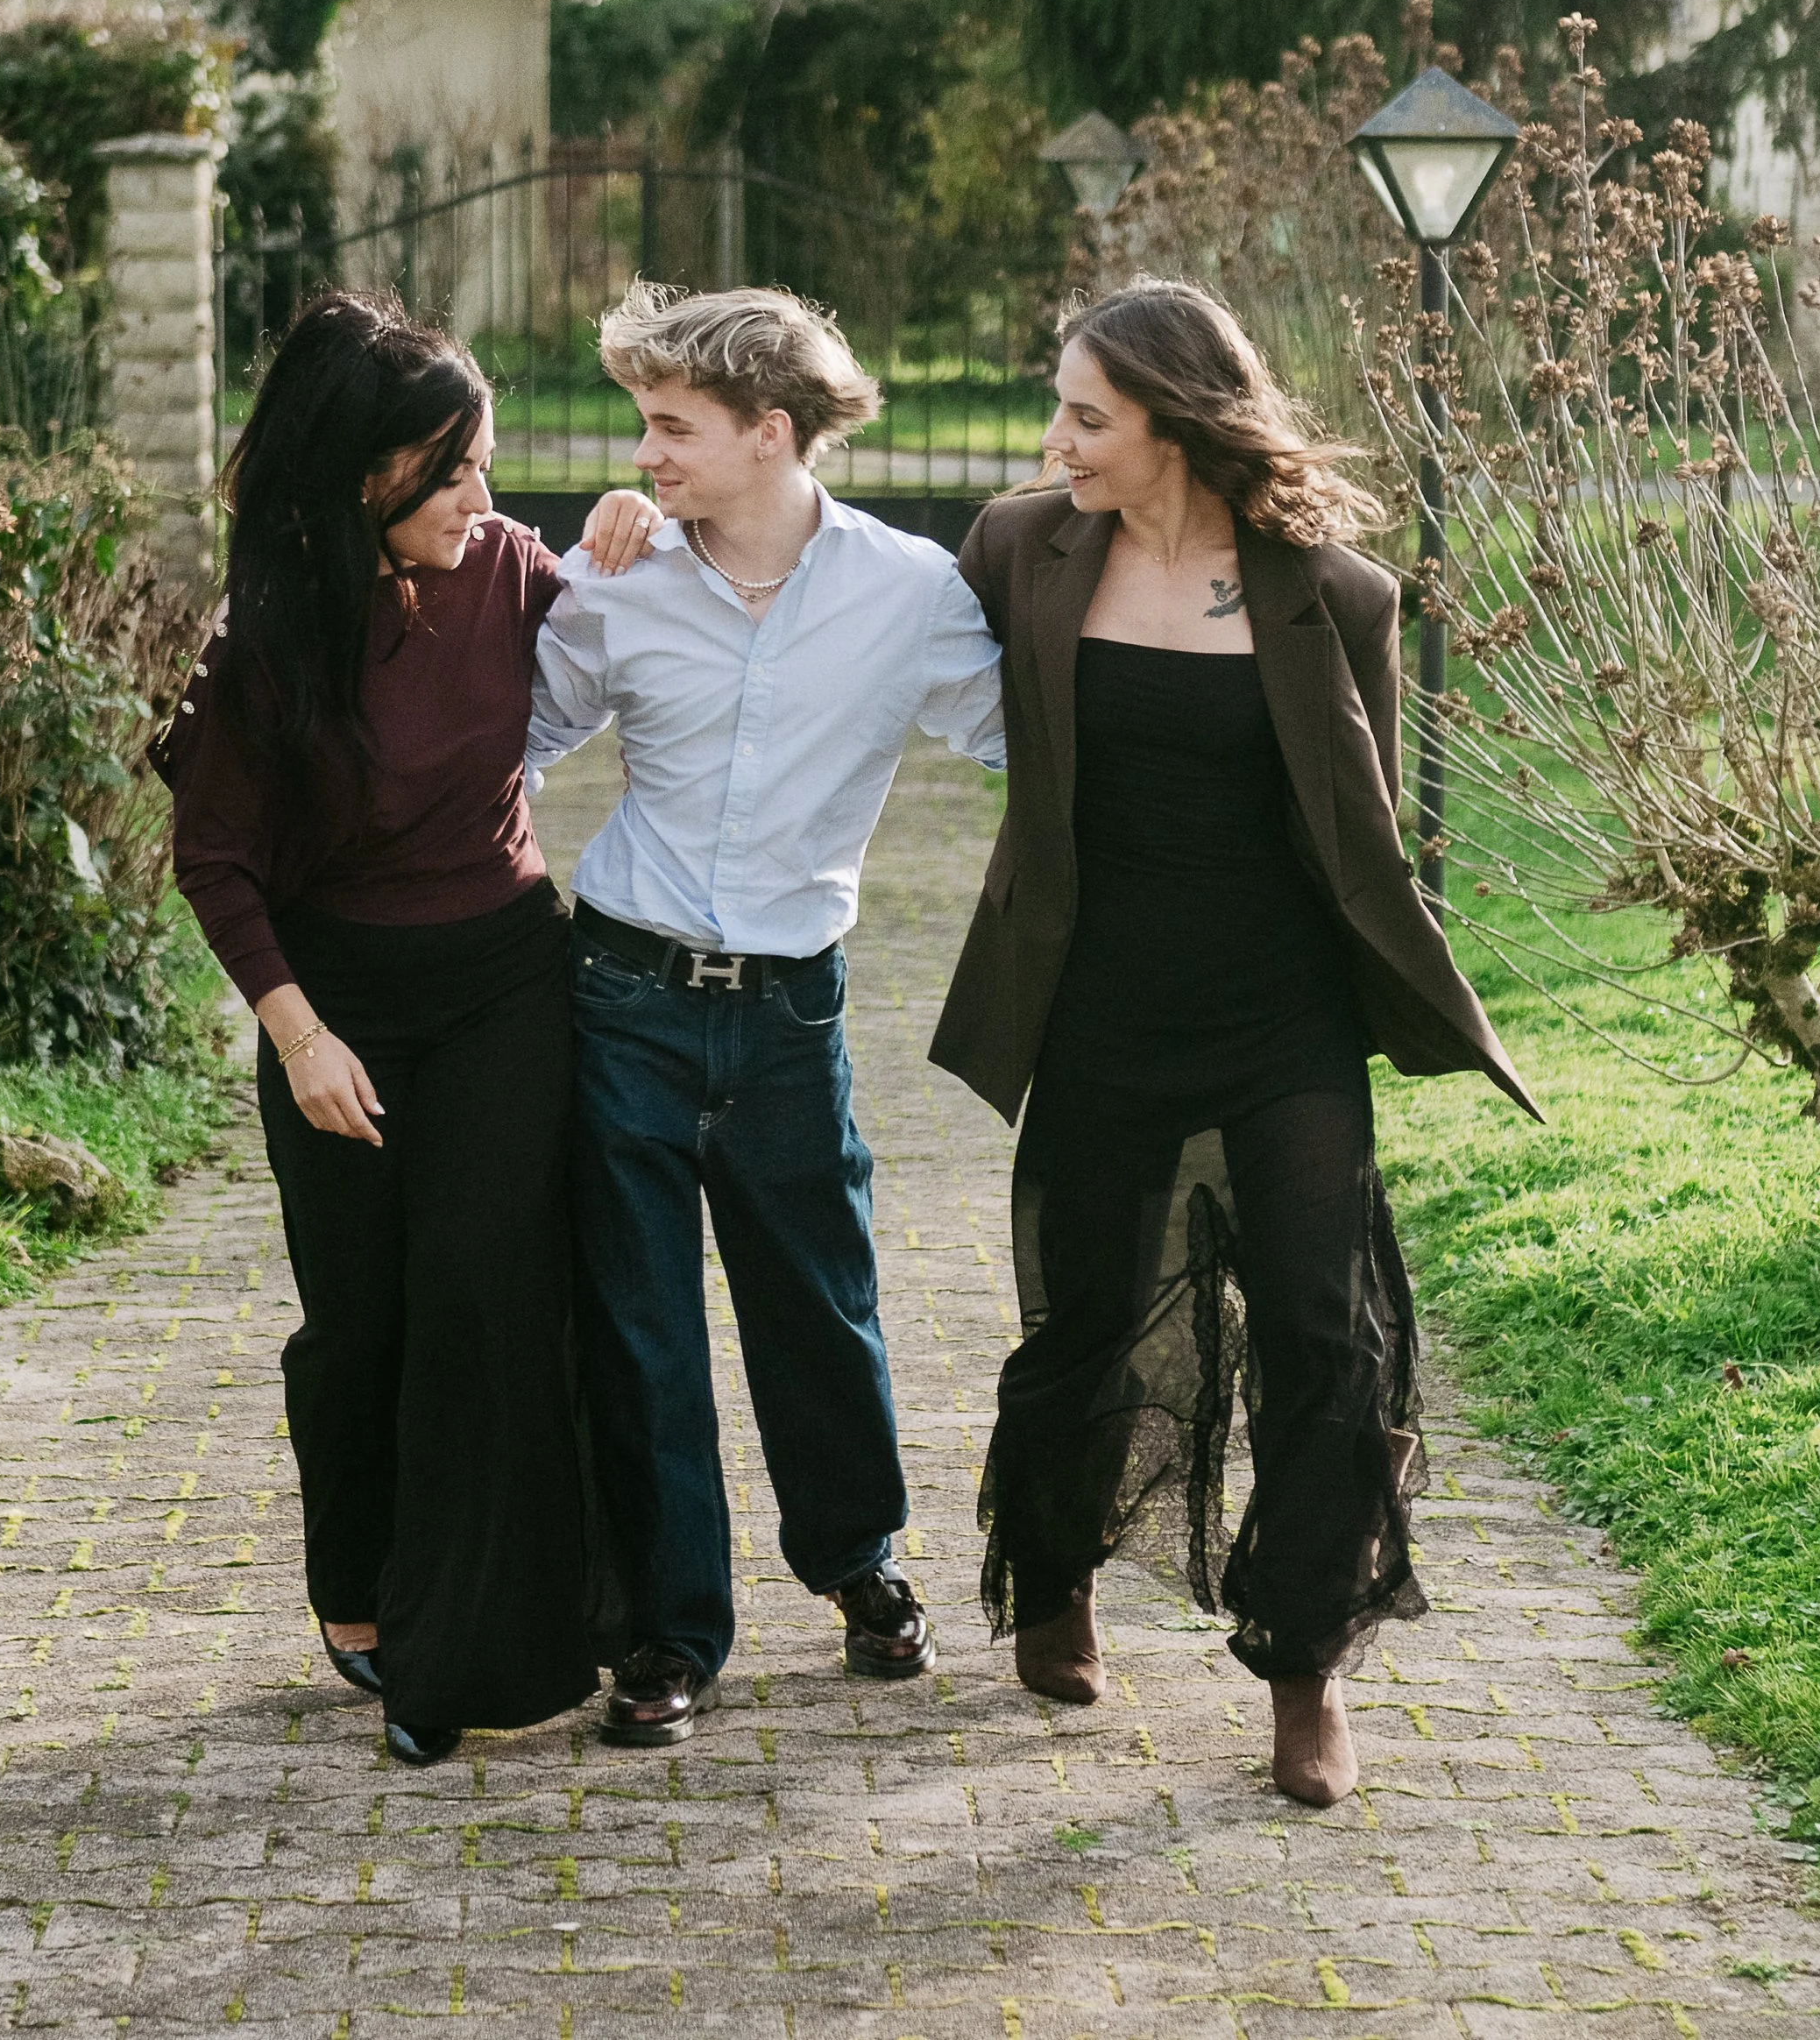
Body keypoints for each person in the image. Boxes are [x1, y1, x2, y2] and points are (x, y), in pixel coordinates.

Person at [931, 278, 1540, 1810]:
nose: (1057, 439)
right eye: (1060, 410)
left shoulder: (1334, 593)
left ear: (1177, 423)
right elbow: (846, 594)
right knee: (1084, 1320)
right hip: (1099, 1011)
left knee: (1325, 1339)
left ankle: (1305, 1663)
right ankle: (1055, 1574)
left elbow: (1356, 831)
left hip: (1283, 1020)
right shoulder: (1019, 548)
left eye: (1088, 415)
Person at [158, 290, 660, 1765]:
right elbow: (214, 858)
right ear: (368, 475)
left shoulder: (507, 571)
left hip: (503, 981)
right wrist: (299, 1036)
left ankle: (460, 1651)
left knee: (481, 1295)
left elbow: (651, 615)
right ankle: (357, 1580)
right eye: (452, 471)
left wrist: (638, 521)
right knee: (362, 1316)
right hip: (337, 1005)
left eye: (485, 462)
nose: (481, 497)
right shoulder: (271, 629)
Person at [528, 282, 1008, 1750]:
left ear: (771, 431)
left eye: (674, 426)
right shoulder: (615, 576)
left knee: (821, 1302)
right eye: (644, 425)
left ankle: (858, 1560)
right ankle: (673, 1631)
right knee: (643, 1323)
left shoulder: (910, 593)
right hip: (622, 996)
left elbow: (1027, 737)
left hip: (795, 1012)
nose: (646, 452)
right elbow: (514, 742)